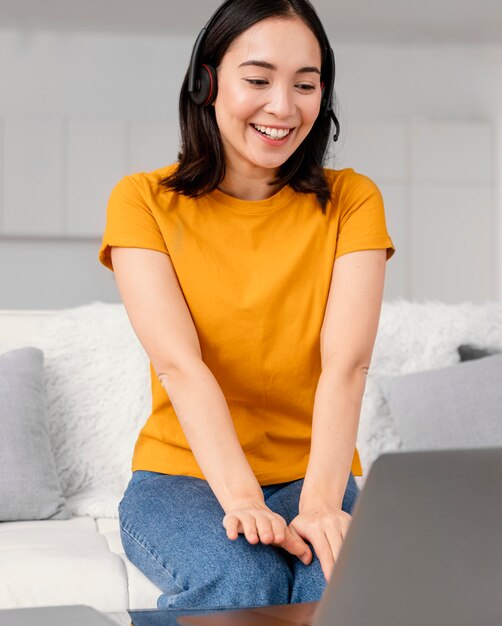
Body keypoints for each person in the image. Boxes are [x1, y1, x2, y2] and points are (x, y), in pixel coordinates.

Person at [98, 0, 395, 611]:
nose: (283, 107)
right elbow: (181, 366)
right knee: (245, 584)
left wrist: (321, 505)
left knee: (337, 596)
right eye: (257, 80)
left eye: (305, 85)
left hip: (314, 477)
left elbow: (348, 365)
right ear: (206, 83)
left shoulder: (353, 200)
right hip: (183, 481)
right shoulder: (141, 202)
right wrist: (241, 500)